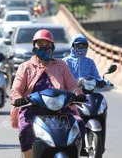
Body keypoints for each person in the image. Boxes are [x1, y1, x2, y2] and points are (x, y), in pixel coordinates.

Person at [10, 29, 86, 158]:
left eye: (48, 46)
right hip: (32, 109)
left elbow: (72, 85)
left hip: (61, 108)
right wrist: (18, 98)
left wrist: (78, 93)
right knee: (26, 127)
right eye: (40, 46)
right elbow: (16, 88)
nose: (44, 49)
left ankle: (78, 152)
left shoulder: (62, 65)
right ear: (34, 47)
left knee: (78, 122)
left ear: (53, 47)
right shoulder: (25, 67)